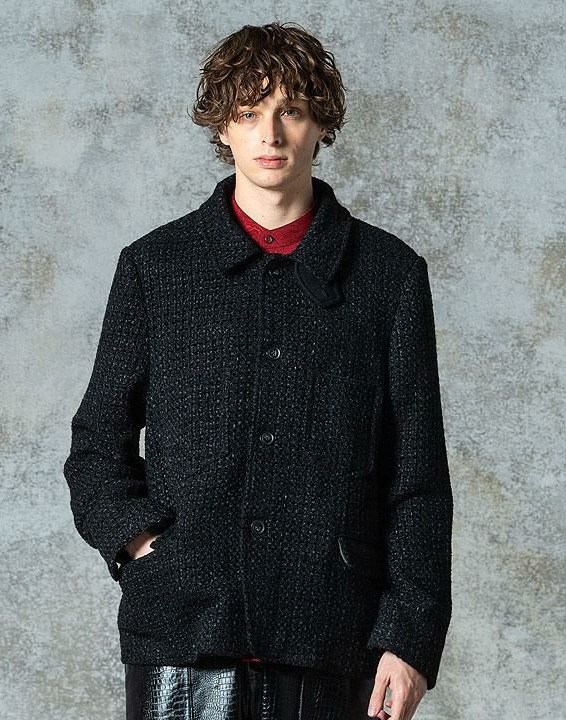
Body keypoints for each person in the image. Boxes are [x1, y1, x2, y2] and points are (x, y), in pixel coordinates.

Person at [64, 21, 453, 720]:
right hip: (181, 638)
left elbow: (418, 479)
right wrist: (144, 545)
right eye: (248, 112)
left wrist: (410, 639)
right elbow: (96, 444)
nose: (270, 134)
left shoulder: (389, 277)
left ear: (320, 125)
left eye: (291, 111)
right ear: (223, 127)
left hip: (336, 635)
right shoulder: (156, 268)